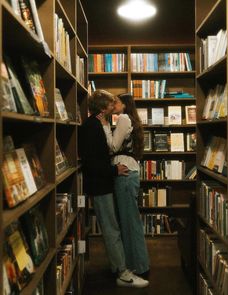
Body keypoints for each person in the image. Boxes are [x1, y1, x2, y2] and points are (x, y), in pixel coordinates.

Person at [79, 90, 149, 288]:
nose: (114, 107)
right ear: (103, 107)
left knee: (114, 227)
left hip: (106, 181)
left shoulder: (102, 123)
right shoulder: (92, 125)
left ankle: (122, 267)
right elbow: (92, 161)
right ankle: (122, 272)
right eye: (111, 104)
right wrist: (113, 169)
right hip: (100, 183)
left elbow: (104, 152)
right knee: (111, 228)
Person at [98, 93, 150, 276]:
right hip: (129, 173)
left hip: (125, 174)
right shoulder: (129, 119)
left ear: (125, 105)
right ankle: (136, 264)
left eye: (117, 102)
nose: (113, 105)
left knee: (129, 222)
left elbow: (112, 146)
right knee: (130, 221)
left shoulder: (123, 118)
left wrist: (104, 126)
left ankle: (139, 267)